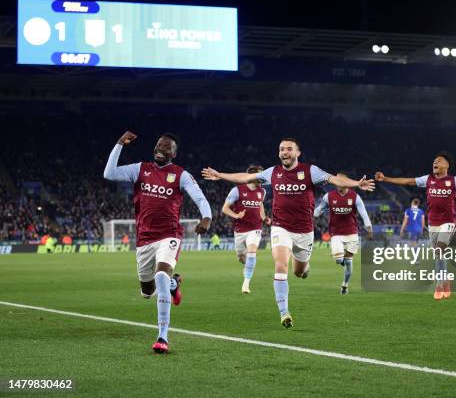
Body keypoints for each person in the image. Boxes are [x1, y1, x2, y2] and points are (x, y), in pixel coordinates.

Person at [202, 138, 375, 328]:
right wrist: (220, 174)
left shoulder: (310, 171)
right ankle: (284, 312)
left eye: (289, 149)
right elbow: (245, 178)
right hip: (280, 226)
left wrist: (357, 184)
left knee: (299, 271)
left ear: (297, 153)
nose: (285, 152)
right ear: (278, 153)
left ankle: (304, 267)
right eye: (282, 149)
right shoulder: (272, 172)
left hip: (304, 231)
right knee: (280, 264)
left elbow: (336, 179)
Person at [104, 131, 211, 353]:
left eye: (167, 147)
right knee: (147, 291)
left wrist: (206, 218)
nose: (161, 148)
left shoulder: (180, 175)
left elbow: (200, 197)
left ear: (174, 152)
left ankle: (162, 336)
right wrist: (119, 145)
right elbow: (110, 173)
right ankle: (174, 285)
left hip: (169, 236)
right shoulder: (140, 169)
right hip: (144, 240)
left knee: (161, 274)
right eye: (159, 145)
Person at [375, 151, 456, 300]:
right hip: (433, 223)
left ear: (446, 165)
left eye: (439, 161)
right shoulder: (427, 179)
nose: (435, 162)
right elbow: (407, 181)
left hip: (448, 222)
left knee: (439, 249)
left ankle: (439, 285)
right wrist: (385, 178)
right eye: (434, 161)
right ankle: (446, 280)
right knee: (440, 255)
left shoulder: (454, 181)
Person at [313, 174, 373, 294]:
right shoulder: (328, 196)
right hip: (336, 233)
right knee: (339, 259)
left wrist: (369, 229)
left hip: (352, 233)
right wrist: (314, 210)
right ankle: (344, 261)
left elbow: (364, 214)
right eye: (336, 181)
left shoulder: (355, 197)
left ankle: (345, 285)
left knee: (349, 263)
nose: (337, 183)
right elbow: (317, 212)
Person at [221, 165, 271, 294]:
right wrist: (236, 215)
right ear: (252, 176)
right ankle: (247, 265)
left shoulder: (262, 191)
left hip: (255, 228)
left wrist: (264, 218)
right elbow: (225, 209)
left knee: (252, 251)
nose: (262, 177)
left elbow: (260, 205)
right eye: (260, 175)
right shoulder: (237, 191)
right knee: (242, 258)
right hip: (240, 230)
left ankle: (246, 284)